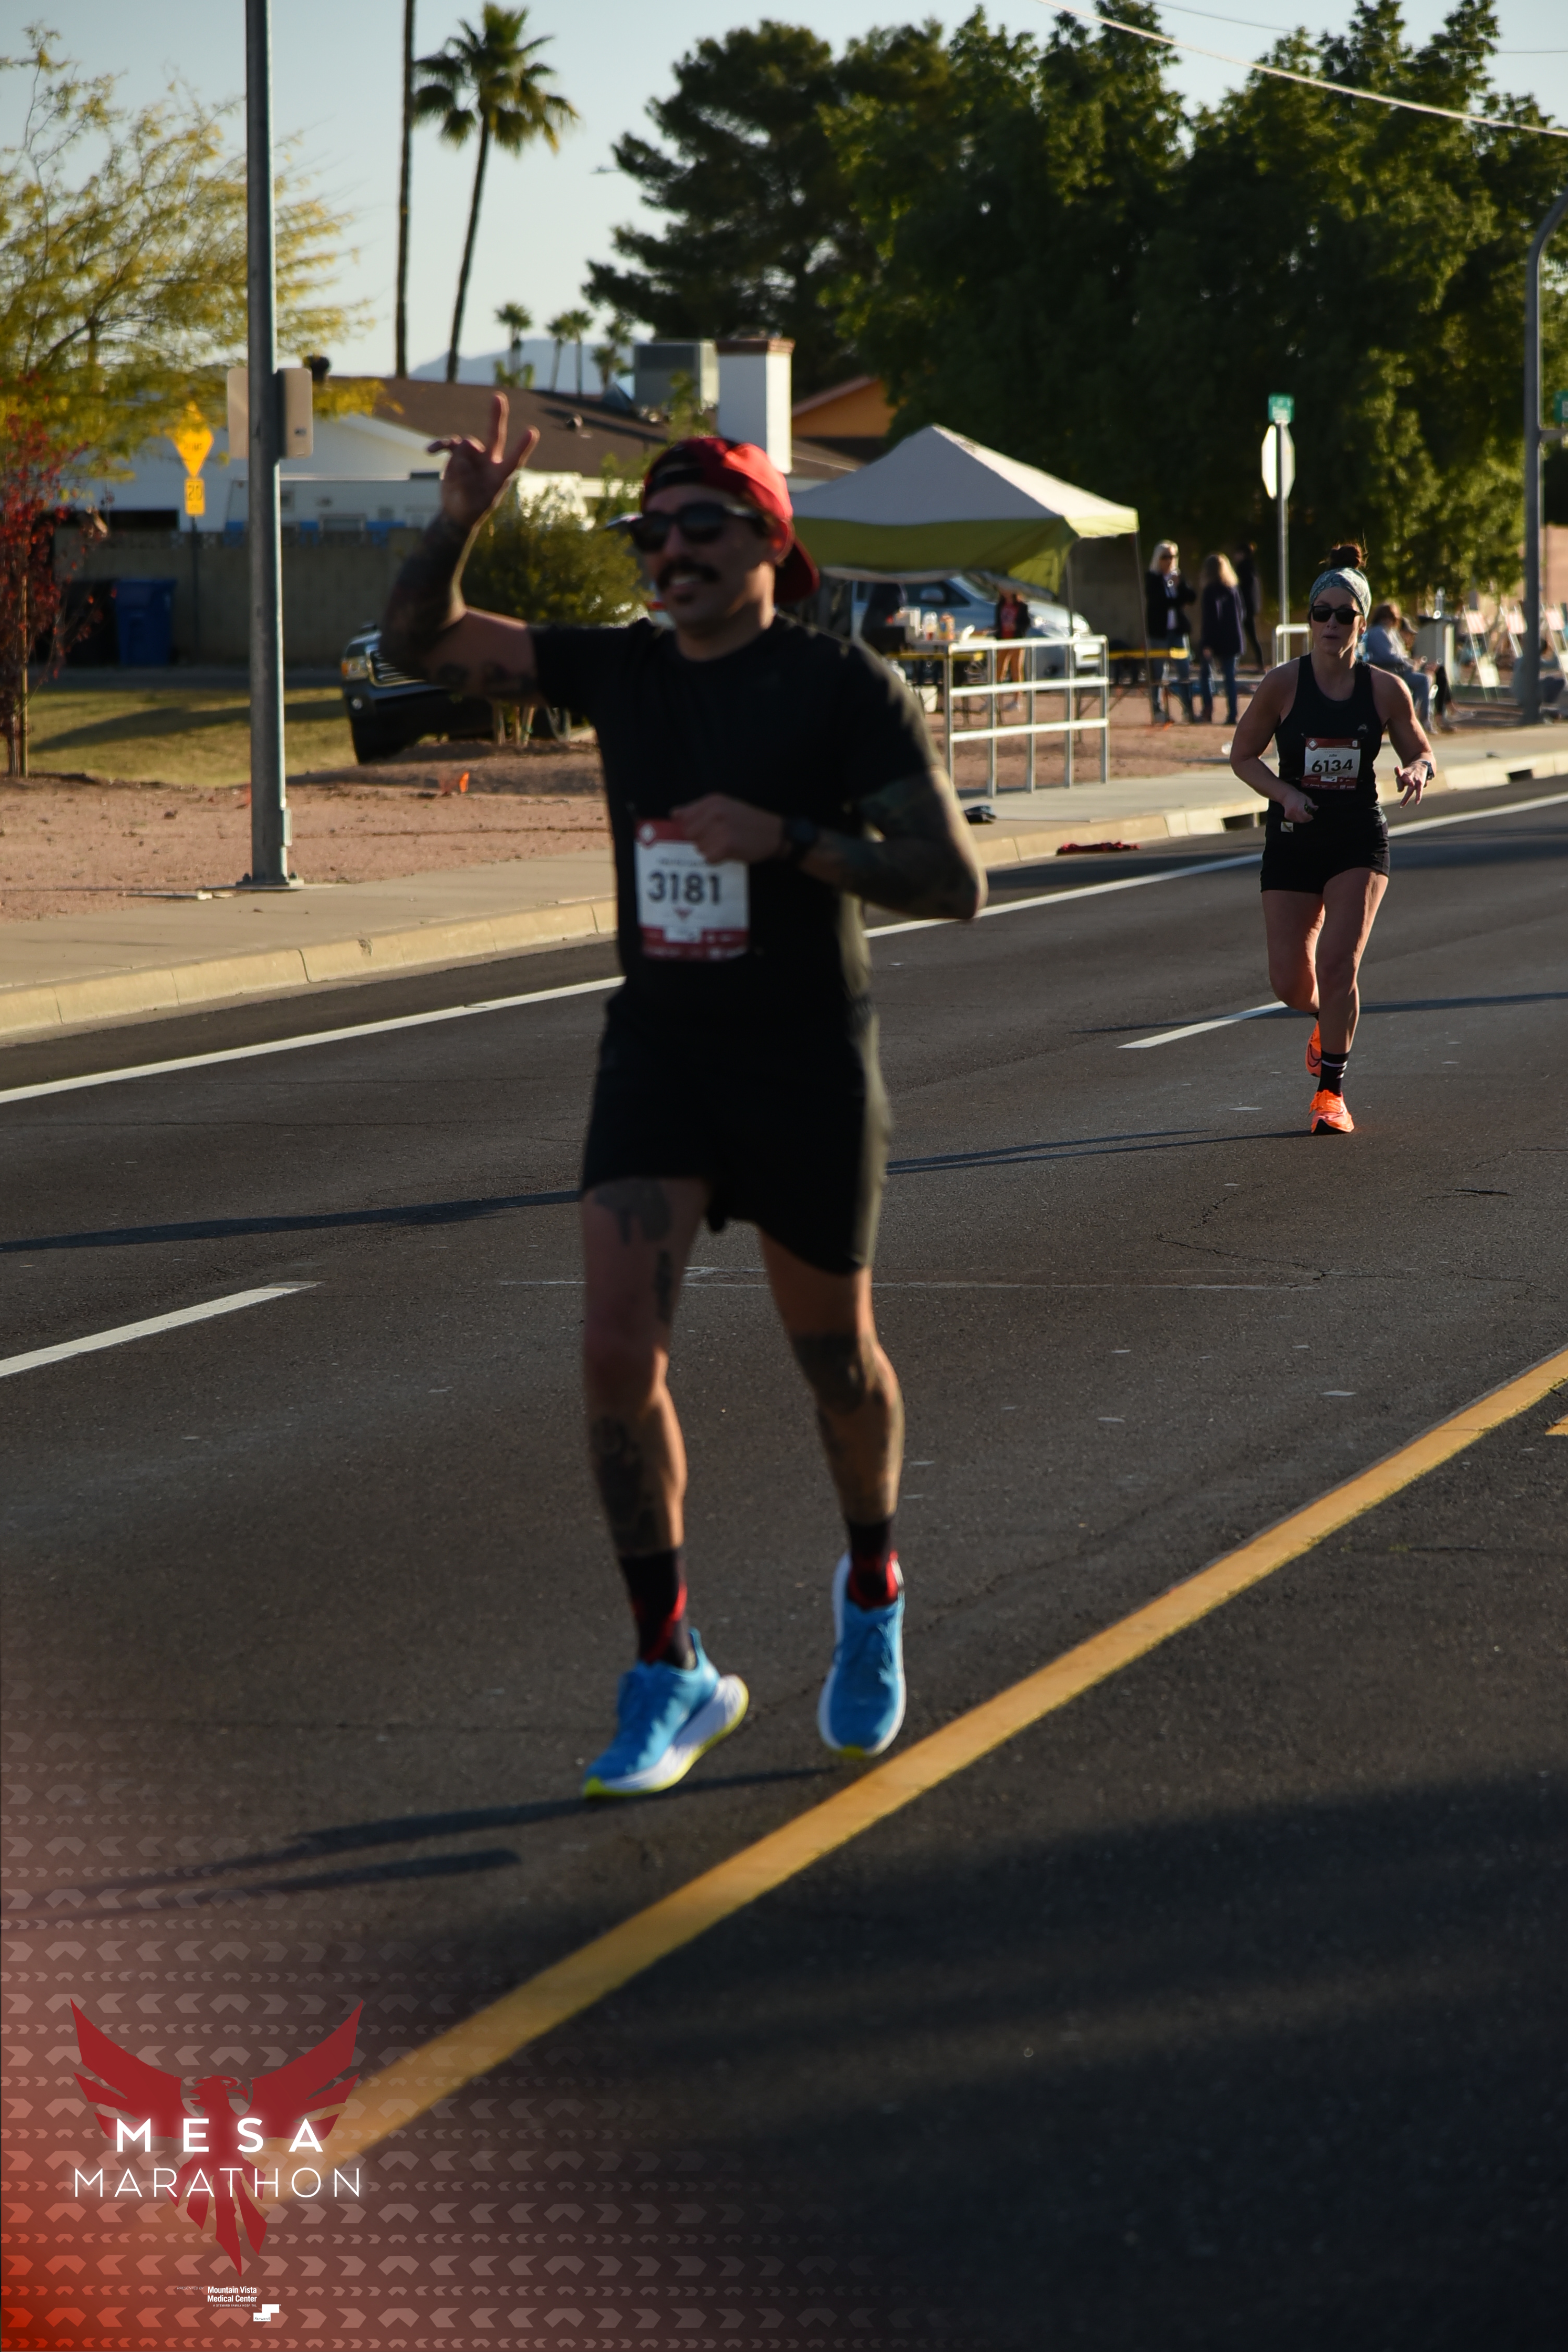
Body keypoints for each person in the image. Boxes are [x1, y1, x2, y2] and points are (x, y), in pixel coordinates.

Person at [379, 395, 985, 1797]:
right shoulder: (622, 670)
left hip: (804, 1063)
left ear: (770, 539)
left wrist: (788, 837)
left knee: (835, 1363)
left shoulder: (842, 690)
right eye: (647, 533)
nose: (668, 551)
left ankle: (873, 1586)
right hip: (660, 1050)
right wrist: (458, 523)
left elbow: (950, 881)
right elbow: (418, 646)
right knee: (613, 1352)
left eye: (699, 525)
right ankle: (672, 1663)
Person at [1227, 542, 1435, 1136]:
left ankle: (1330, 1094)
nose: (1331, 624)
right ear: (1309, 619)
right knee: (1290, 982)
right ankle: (1328, 1019)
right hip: (1294, 836)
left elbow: (1421, 749)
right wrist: (1284, 795)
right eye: (1322, 612)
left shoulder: (1384, 689)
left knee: (1338, 962)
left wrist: (1416, 770)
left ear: (1361, 624)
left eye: (1345, 614)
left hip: (1356, 838)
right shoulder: (1282, 684)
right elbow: (1242, 755)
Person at [1145, 542, 1195, 723]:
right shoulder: (1153, 578)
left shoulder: (1177, 577)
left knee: (1184, 670)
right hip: (1160, 633)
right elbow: (1160, 602)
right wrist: (1178, 600)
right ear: (1158, 559)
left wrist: (1180, 586)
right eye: (1165, 557)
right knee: (1158, 673)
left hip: (1177, 631)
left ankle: (1188, 710)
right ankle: (1158, 710)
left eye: (1172, 557)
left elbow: (1191, 597)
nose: (1169, 561)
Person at [1363, 600, 1432, 726]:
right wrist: (1409, 663)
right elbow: (1387, 657)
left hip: (1397, 670)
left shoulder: (1390, 632)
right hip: (1389, 671)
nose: (1395, 622)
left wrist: (1412, 662)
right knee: (1424, 680)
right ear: (1386, 617)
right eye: (1395, 618)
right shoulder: (1379, 632)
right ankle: (1422, 719)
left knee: (1425, 676)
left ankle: (1412, 716)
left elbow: (1400, 653)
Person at [1196, 553, 1245, 726]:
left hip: (1215, 640)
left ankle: (1208, 709)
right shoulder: (1233, 589)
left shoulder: (1210, 591)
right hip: (1234, 639)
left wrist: (1207, 643)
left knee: (1206, 675)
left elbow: (1211, 618)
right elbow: (1242, 613)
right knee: (1230, 678)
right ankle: (1232, 714)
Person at [1233, 542, 1266, 668]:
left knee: (1243, 634)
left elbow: (1240, 588)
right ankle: (1260, 662)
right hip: (1252, 606)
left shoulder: (1243, 568)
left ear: (1242, 554)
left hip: (1244, 607)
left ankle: (1258, 662)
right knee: (1252, 635)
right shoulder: (1253, 567)